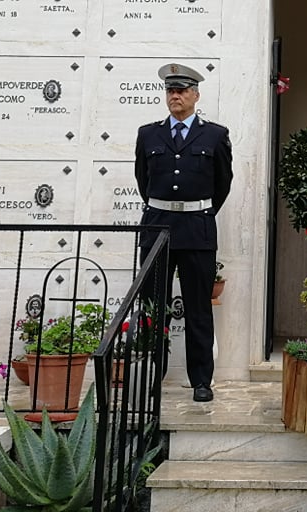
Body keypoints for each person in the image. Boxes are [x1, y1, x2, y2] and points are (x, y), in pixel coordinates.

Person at [135, 62, 233, 402]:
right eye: (170, 90)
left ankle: (201, 381)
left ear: (196, 95)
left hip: (197, 229)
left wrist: (198, 210)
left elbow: (222, 183)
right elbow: (143, 180)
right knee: (154, 307)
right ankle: (152, 375)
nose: (175, 96)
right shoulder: (148, 134)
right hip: (157, 229)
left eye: (181, 90)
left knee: (198, 309)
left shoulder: (215, 135)